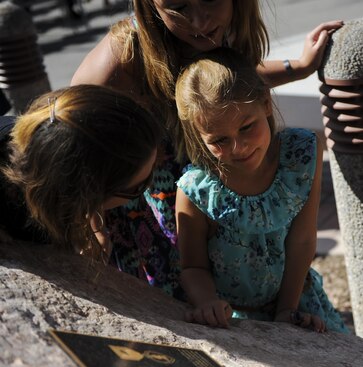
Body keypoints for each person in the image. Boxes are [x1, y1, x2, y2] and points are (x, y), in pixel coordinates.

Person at [71, 0, 343, 299]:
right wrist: (90, 219)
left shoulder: (218, 30)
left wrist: (297, 67)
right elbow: (72, 139)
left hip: (217, 213)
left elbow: (226, 84)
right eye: (178, 7)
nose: (199, 22)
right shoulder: (122, 58)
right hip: (152, 224)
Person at [174, 48, 348, 333]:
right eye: (219, 139)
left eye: (246, 127)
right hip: (233, 319)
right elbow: (193, 267)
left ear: (266, 103)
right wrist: (207, 304)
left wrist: (287, 312)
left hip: (296, 302)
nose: (237, 147)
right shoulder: (197, 193)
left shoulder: (302, 155)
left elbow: (302, 239)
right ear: (198, 136)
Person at [0, 84, 162, 262]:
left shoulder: (45, 134)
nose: (151, 185)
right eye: (139, 188)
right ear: (84, 194)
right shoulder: (14, 214)